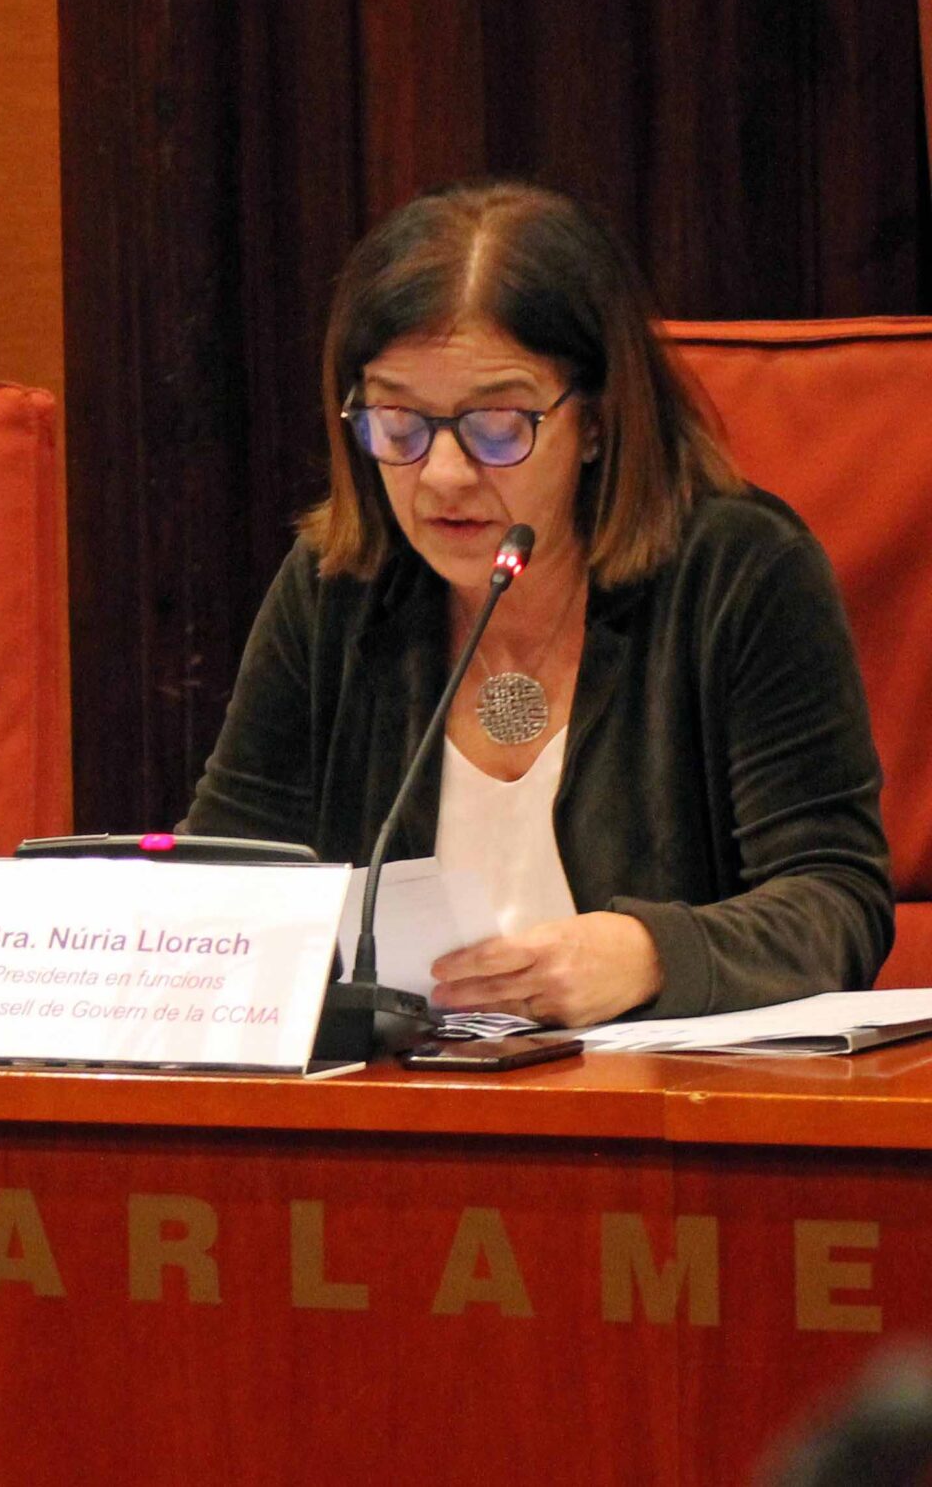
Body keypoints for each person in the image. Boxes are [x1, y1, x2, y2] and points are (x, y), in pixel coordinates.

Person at [186, 180, 891, 1025]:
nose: (443, 476)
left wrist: (649, 954)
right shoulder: (337, 586)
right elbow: (219, 889)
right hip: (393, 1118)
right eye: (399, 424)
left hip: (662, 1122)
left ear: (593, 421)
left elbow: (839, 901)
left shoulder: (738, 574)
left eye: (496, 424)